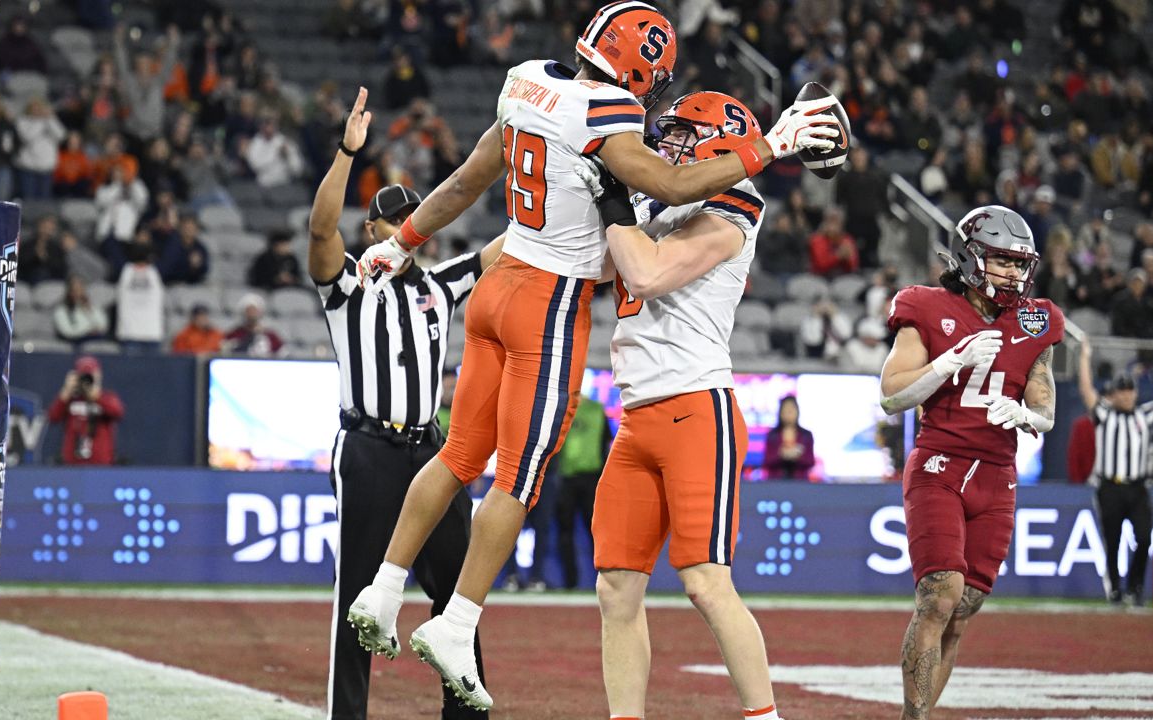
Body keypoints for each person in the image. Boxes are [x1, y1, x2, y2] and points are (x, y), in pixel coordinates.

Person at [347, 1, 838, 709]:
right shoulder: (624, 147)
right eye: (664, 129)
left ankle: (390, 590)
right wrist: (767, 143)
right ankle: (453, 620)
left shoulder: (527, 85)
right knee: (534, 497)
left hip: (587, 332)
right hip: (551, 316)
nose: (663, 140)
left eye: (683, 136)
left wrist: (405, 242)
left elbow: (477, 184)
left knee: (466, 460)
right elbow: (656, 198)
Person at [583, 90, 786, 720]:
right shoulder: (655, 204)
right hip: (637, 416)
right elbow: (590, 267)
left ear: (720, 144)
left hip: (697, 407)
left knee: (704, 583)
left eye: (681, 136)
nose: (665, 147)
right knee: (616, 586)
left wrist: (610, 197)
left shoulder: (735, 203)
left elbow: (645, 274)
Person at [308, 87, 504, 720]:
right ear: (372, 230)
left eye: (414, 219)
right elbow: (318, 230)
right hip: (366, 447)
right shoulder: (348, 288)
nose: (407, 230)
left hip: (432, 450)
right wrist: (346, 152)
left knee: (457, 596)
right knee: (358, 599)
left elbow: (510, 249)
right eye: (394, 221)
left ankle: (462, 714)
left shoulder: (442, 285)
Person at [879, 205, 1064, 720]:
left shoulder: (1036, 318)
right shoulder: (924, 306)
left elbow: (1043, 398)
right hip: (940, 462)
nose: (1012, 274)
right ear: (969, 257)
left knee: (963, 610)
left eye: (1018, 263)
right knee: (940, 594)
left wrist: (1033, 416)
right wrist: (950, 360)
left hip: (998, 474)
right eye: (1001, 261)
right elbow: (891, 397)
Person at [1077, 338, 1153, 606]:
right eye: (1121, 391)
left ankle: (1135, 588)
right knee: (1112, 541)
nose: (1126, 395)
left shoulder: (1144, 415)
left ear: (1135, 393)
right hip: (1110, 487)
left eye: (1130, 391)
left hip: (1137, 488)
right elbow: (1086, 391)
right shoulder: (1104, 414)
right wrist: (1083, 358)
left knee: (1145, 537)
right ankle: (1115, 589)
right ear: (1113, 394)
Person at [553, 391, 609, 588]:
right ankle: (574, 581)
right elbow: (606, 444)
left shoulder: (586, 409)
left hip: (586, 479)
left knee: (588, 532)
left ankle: (595, 581)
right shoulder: (569, 409)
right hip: (570, 479)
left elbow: (605, 444)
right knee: (574, 533)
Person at [46, 356, 124, 465]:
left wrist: (96, 397)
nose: (87, 381)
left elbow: (117, 412)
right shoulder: (70, 400)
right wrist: (66, 390)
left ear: (98, 375)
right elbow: (52, 417)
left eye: (90, 375)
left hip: (101, 465)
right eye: (83, 376)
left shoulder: (107, 397)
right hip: (72, 464)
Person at [762, 395, 815, 480]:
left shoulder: (806, 435)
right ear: (780, 412)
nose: (789, 413)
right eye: (786, 410)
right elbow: (766, 461)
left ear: (797, 411)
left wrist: (798, 455)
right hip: (775, 483)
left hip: (801, 484)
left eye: (791, 410)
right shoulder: (772, 435)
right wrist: (781, 454)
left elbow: (810, 462)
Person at [53, 276, 108, 347]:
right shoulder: (62, 310)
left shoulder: (93, 307)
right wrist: (88, 330)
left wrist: (89, 311)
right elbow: (67, 332)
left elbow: (103, 326)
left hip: (93, 339)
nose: (78, 292)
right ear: (69, 291)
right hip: (73, 341)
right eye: (75, 288)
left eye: (81, 288)